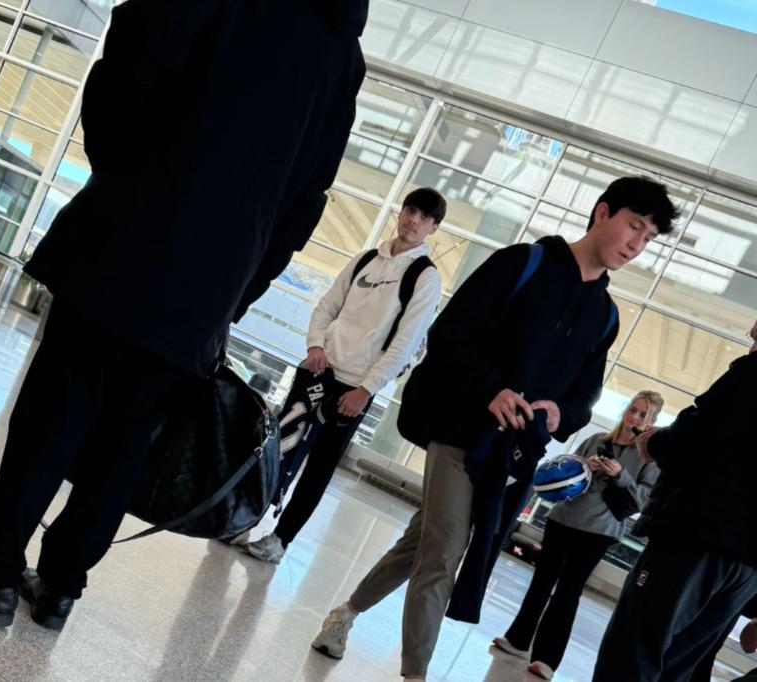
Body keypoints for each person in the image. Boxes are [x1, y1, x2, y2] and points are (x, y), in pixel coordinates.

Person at [0, 0, 368, 631]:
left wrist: (123, 171)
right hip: (207, 291)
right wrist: (238, 289)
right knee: (127, 443)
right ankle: (59, 587)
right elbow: (306, 201)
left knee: (54, 415)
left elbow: (138, 52)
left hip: (128, 242)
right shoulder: (342, 55)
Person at [311, 176, 678, 681]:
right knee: (444, 549)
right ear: (601, 213)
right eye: (634, 227)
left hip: (517, 451)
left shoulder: (605, 315)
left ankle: (345, 614)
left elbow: (586, 393)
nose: (637, 245)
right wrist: (492, 389)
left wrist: (560, 413)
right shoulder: (521, 263)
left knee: (424, 542)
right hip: (461, 428)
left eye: (649, 239)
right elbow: (449, 333)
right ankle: (415, 674)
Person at [240, 188, 445, 564]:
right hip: (318, 369)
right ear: (401, 212)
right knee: (278, 448)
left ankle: (279, 540)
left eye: (424, 217)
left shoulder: (425, 277)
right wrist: (315, 345)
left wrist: (366, 390)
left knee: (318, 468)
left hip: (355, 388)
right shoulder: (367, 258)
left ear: (433, 227)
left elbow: (405, 343)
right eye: (410, 210)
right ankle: (243, 519)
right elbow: (328, 305)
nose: (413, 220)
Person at [593, 321, 757, 681]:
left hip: (700, 539)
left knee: (631, 656)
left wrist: (654, 442)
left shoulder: (751, 375)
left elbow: (698, 437)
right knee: (676, 668)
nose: (751, 330)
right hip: (746, 567)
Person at [491, 391, 664, 680]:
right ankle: (518, 640)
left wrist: (621, 474)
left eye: (643, 414)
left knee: (568, 592)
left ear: (652, 421)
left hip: (599, 530)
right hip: (563, 518)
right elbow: (564, 471)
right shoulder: (597, 441)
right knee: (541, 582)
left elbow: (644, 499)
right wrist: (585, 466)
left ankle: (547, 659)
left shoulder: (648, 458)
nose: (634, 416)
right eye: (632, 409)